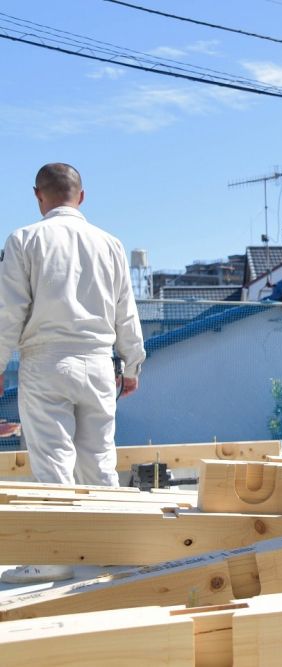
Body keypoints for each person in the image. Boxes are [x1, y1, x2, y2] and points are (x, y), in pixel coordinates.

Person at [0, 163, 145, 584]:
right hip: (100, 363)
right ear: (81, 196)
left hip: (47, 360)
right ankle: (109, 553)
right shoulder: (110, 243)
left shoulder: (25, 239)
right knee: (100, 459)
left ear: (38, 196)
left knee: (53, 460)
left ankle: (56, 556)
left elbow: (9, 311)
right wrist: (132, 364)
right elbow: (126, 310)